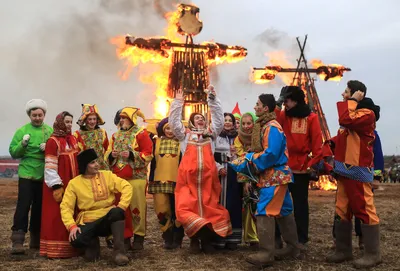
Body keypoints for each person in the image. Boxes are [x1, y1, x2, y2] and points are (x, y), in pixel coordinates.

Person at [230, 94, 299, 267]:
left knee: (264, 210)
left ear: (265, 108)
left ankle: (266, 253)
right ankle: (292, 247)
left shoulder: (272, 127)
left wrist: (251, 158)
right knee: (284, 210)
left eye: (257, 104)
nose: (255, 107)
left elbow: (271, 154)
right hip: (275, 176)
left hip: (274, 176)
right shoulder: (266, 126)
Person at [325, 80, 381, 268]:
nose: (343, 94)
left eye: (347, 92)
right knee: (342, 210)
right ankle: (343, 250)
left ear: (358, 94)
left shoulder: (367, 114)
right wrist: (328, 145)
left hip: (358, 172)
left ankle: (373, 254)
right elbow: (345, 133)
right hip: (344, 172)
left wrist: (353, 101)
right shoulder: (351, 115)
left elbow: (346, 120)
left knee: (364, 209)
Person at [170, 86, 232, 254]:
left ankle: (206, 241)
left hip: (208, 180)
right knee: (187, 209)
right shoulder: (185, 135)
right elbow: (174, 123)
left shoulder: (211, 134)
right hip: (187, 181)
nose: (200, 119)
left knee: (209, 208)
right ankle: (194, 240)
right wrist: (178, 103)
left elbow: (219, 120)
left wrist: (212, 99)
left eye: (202, 118)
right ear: (191, 122)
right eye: (197, 118)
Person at [60, 149, 132, 265]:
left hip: (107, 218)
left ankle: (119, 253)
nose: (97, 165)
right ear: (85, 165)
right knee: (77, 241)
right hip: (88, 221)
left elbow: (126, 186)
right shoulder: (74, 183)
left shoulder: (107, 175)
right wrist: (71, 226)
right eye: (92, 162)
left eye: (97, 161)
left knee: (117, 213)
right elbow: (66, 206)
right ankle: (93, 246)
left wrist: (122, 206)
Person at [275, 86, 323, 248]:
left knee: (301, 204)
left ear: (295, 101)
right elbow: (273, 121)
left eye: (286, 101)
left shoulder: (311, 118)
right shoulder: (284, 116)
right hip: (283, 166)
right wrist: (278, 103)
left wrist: (314, 164)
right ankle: (279, 238)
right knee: (279, 202)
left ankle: (302, 239)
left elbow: (317, 142)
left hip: (301, 169)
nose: (285, 104)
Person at [105, 107, 153, 250]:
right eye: (120, 118)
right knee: (122, 207)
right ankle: (124, 237)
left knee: (136, 207)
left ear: (131, 119)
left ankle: (139, 237)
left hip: (136, 177)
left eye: (124, 118)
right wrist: (111, 156)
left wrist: (132, 155)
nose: (121, 120)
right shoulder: (114, 136)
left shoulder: (141, 134)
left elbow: (148, 153)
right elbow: (106, 154)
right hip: (119, 178)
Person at [9, 99, 52, 254]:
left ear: (44, 115)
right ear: (29, 115)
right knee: (23, 206)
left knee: (39, 207)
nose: (37, 118)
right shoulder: (22, 131)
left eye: (40, 115)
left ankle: (36, 240)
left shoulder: (49, 131)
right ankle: (18, 240)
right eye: (34, 115)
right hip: (27, 173)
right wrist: (23, 144)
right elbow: (13, 153)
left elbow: (55, 151)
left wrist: (48, 148)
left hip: (43, 174)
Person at [41, 111, 80, 258]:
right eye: (67, 122)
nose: (69, 124)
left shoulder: (73, 139)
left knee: (72, 213)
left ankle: (74, 247)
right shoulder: (53, 141)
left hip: (73, 184)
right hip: (58, 184)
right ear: (60, 122)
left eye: (71, 122)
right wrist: (57, 186)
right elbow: (50, 166)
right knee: (56, 215)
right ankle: (55, 250)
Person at [148, 117, 185, 249]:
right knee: (162, 210)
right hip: (158, 182)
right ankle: (167, 237)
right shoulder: (155, 142)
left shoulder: (182, 143)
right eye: (167, 128)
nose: (170, 131)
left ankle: (178, 238)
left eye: (173, 128)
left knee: (177, 210)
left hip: (178, 182)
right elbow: (146, 130)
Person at [213, 113, 241, 250]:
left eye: (230, 120)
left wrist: (235, 153)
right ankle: (218, 237)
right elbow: (209, 155)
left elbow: (239, 157)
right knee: (219, 203)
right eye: (225, 120)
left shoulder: (238, 137)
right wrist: (218, 168)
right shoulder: (215, 137)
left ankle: (233, 238)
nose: (228, 122)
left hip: (233, 174)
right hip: (218, 175)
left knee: (233, 203)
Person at [233, 112, 259, 247]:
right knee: (248, 205)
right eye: (243, 123)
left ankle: (260, 235)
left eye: (249, 123)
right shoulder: (238, 139)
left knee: (259, 205)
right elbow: (241, 158)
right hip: (244, 176)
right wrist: (246, 181)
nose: (246, 126)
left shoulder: (259, 137)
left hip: (260, 174)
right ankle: (251, 237)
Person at [74, 104, 109, 170]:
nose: (92, 122)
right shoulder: (78, 134)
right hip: (87, 170)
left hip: (101, 167)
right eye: (89, 119)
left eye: (94, 119)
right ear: (85, 120)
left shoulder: (102, 132)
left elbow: (107, 149)